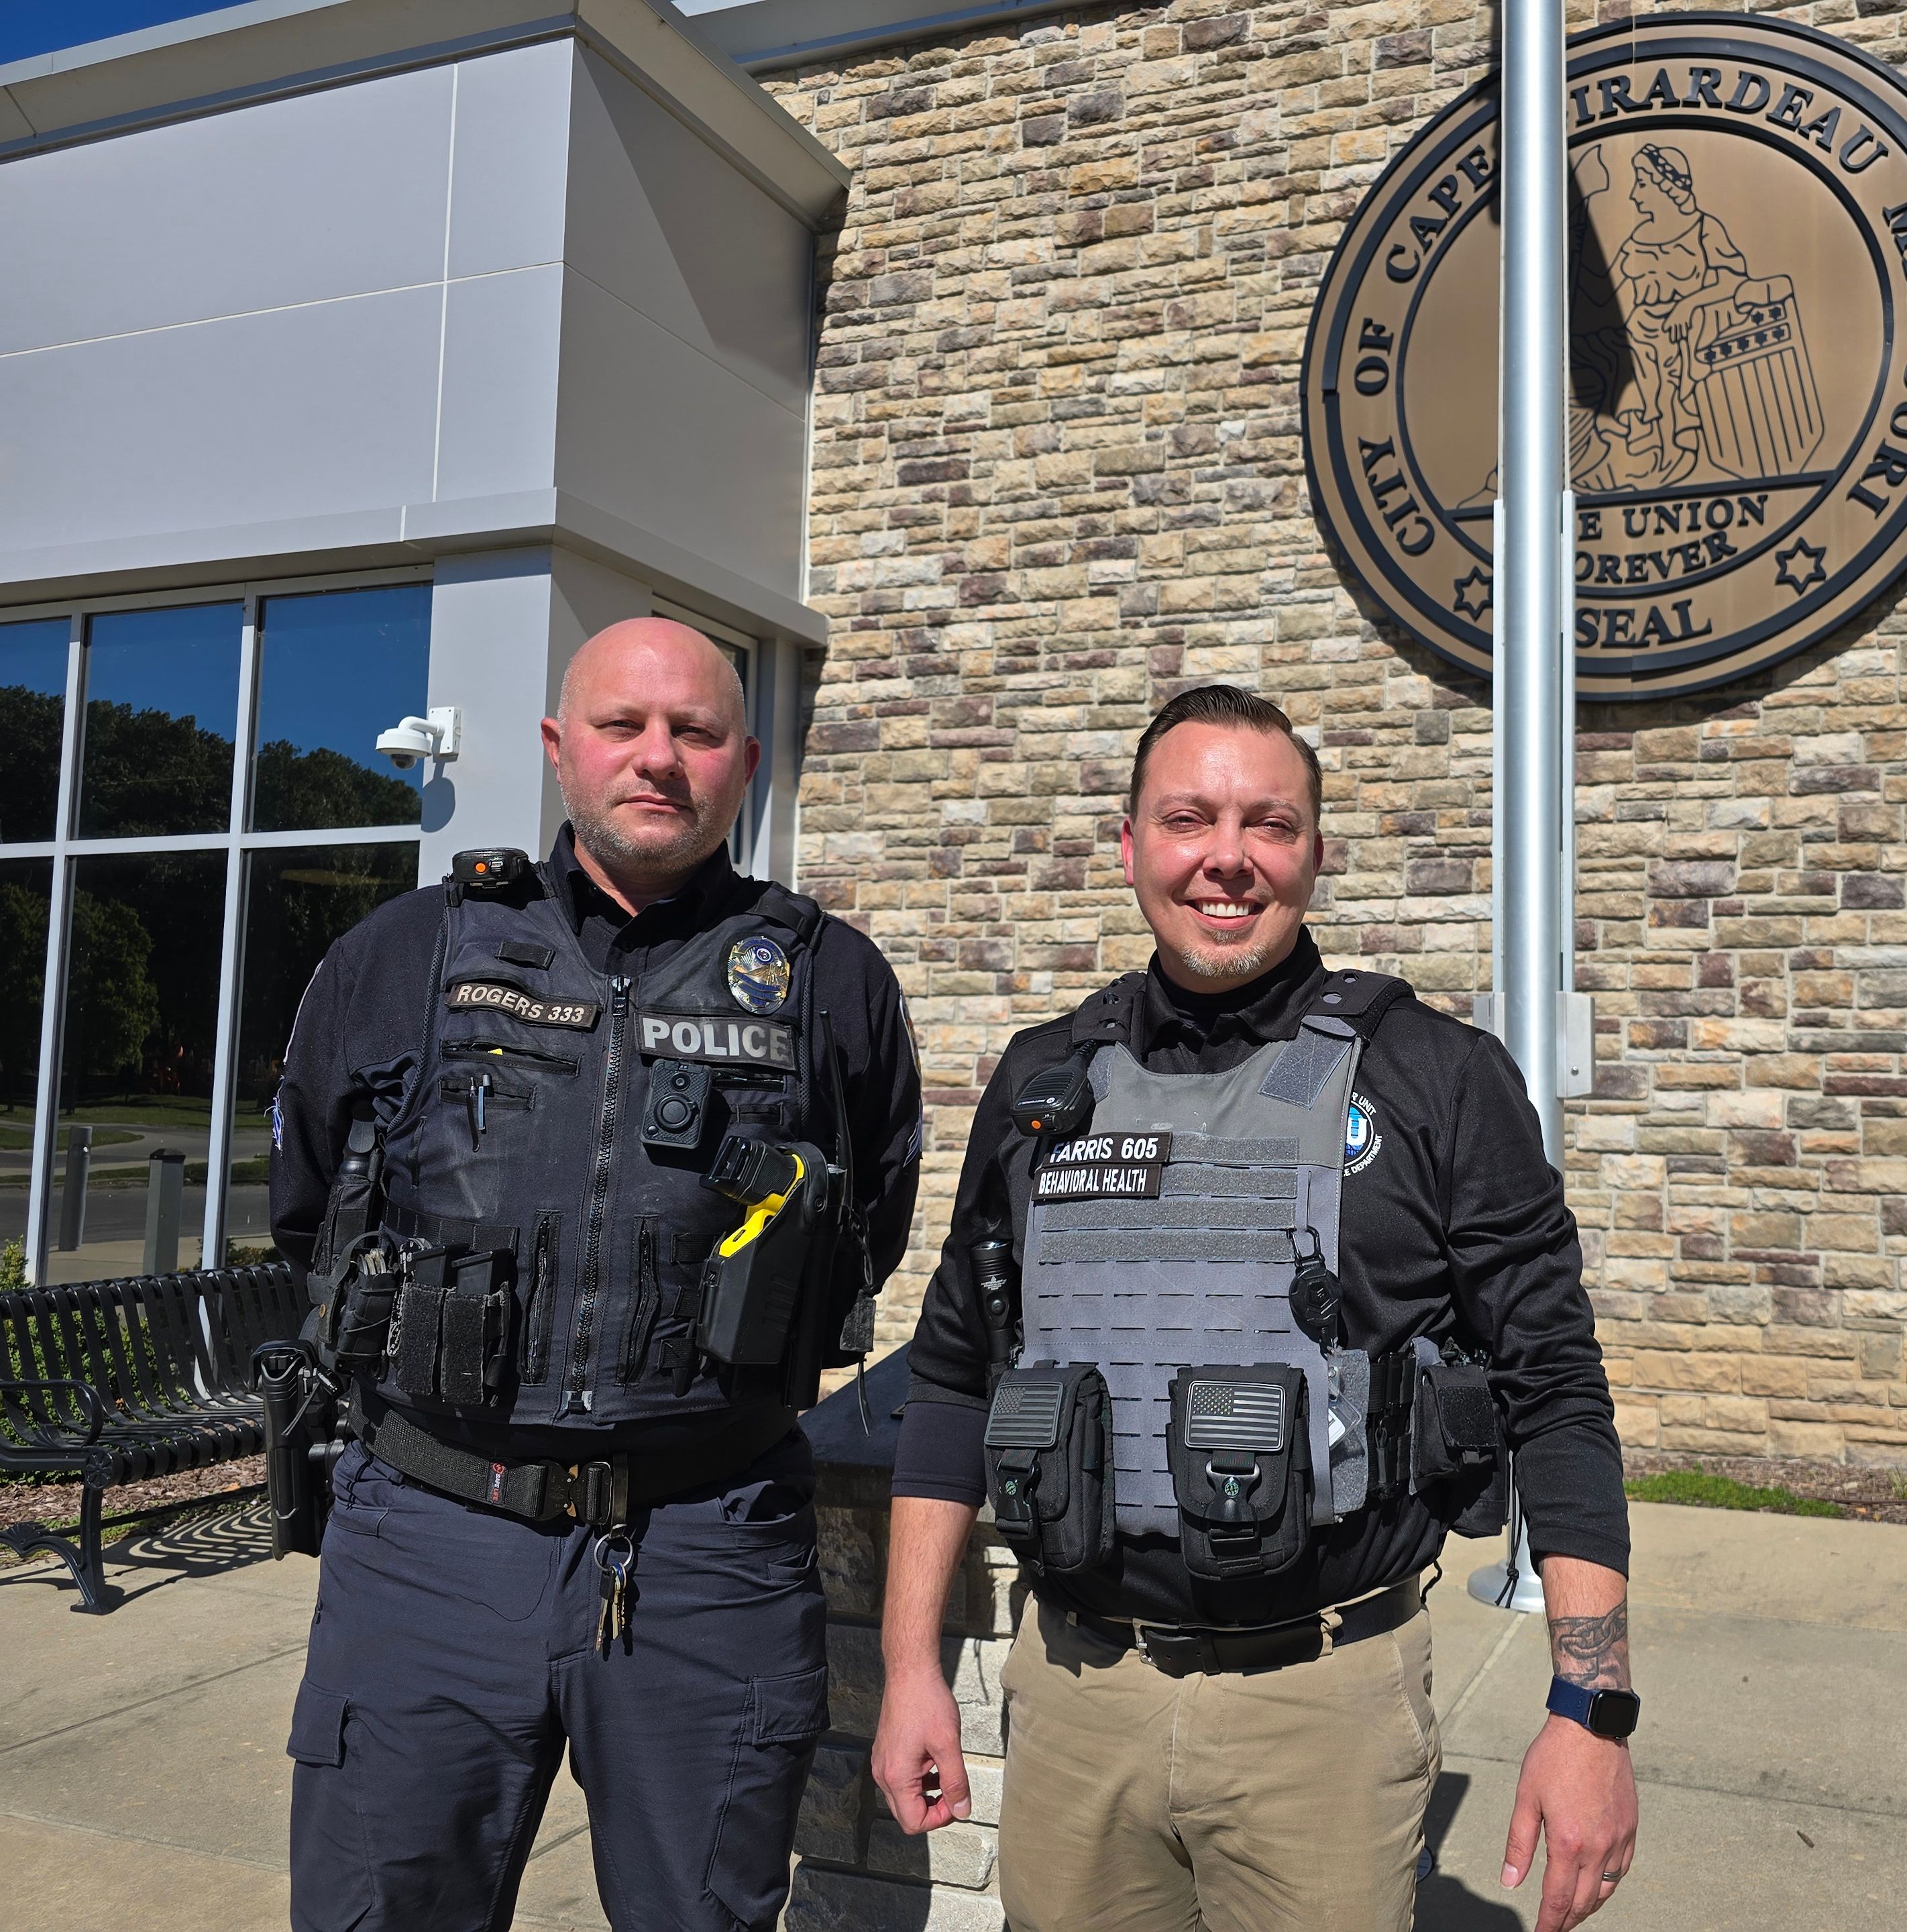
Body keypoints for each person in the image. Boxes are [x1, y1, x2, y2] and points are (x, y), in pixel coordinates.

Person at [870, 684, 1639, 1932]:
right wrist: (914, 1669)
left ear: (1316, 854)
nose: (1228, 858)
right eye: (1189, 819)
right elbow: (955, 1379)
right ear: (1129, 846)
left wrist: (1589, 1712)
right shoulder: (1043, 1081)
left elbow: (1555, 1391)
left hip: (1322, 1703)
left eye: (1268, 824)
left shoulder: (1437, 1078)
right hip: (1077, 1694)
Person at [269, 617, 923, 1932]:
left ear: (743, 761)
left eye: (693, 732)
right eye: (623, 727)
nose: (658, 759)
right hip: (433, 1537)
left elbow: (875, 1221)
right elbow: (308, 1211)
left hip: (708, 1549)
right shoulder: (404, 954)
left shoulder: (829, 982)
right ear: (563, 750)